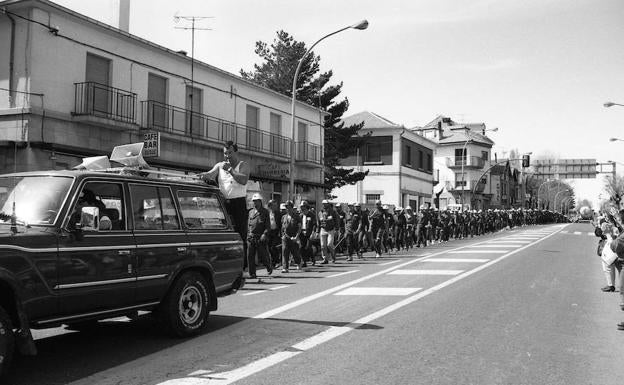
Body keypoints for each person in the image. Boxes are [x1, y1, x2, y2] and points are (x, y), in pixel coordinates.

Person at [199, 141, 250, 257]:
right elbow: (210, 174)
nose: (227, 156)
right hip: (223, 203)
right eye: (225, 153)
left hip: (238, 202)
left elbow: (244, 180)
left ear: (236, 152)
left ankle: (243, 266)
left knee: (240, 234)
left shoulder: (243, 165)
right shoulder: (219, 165)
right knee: (223, 232)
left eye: (230, 153)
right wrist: (203, 175)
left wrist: (230, 170)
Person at [246, 193, 272, 279]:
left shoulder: (265, 212)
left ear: (260, 202)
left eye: (257, 201)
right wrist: (248, 234)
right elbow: (249, 224)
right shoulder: (250, 212)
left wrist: (265, 234)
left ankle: (268, 266)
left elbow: (268, 226)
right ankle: (252, 273)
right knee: (250, 256)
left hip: (260, 237)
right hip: (251, 237)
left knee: (263, 255)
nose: (255, 203)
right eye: (254, 201)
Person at [281, 200, 302, 273]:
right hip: (285, 237)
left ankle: (299, 262)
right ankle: (285, 267)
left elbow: (299, 228)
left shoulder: (297, 217)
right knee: (285, 251)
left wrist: (296, 237)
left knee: (295, 252)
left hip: (294, 237)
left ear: (292, 208)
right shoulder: (283, 217)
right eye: (286, 207)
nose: (288, 209)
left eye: (289, 207)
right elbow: (282, 228)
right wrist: (282, 235)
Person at [317, 199, 337, 264]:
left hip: (331, 229)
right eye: (323, 204)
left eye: (325, 203)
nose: (324, 205)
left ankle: (333, 256)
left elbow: (337, 220)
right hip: (323, 229)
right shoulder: (320, 212)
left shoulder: (333, 212)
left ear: (328, 204)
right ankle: (325, 259)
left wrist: (337, 229)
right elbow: (318, 222)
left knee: (329, 244)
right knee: (323, 245)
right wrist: (317, 231)